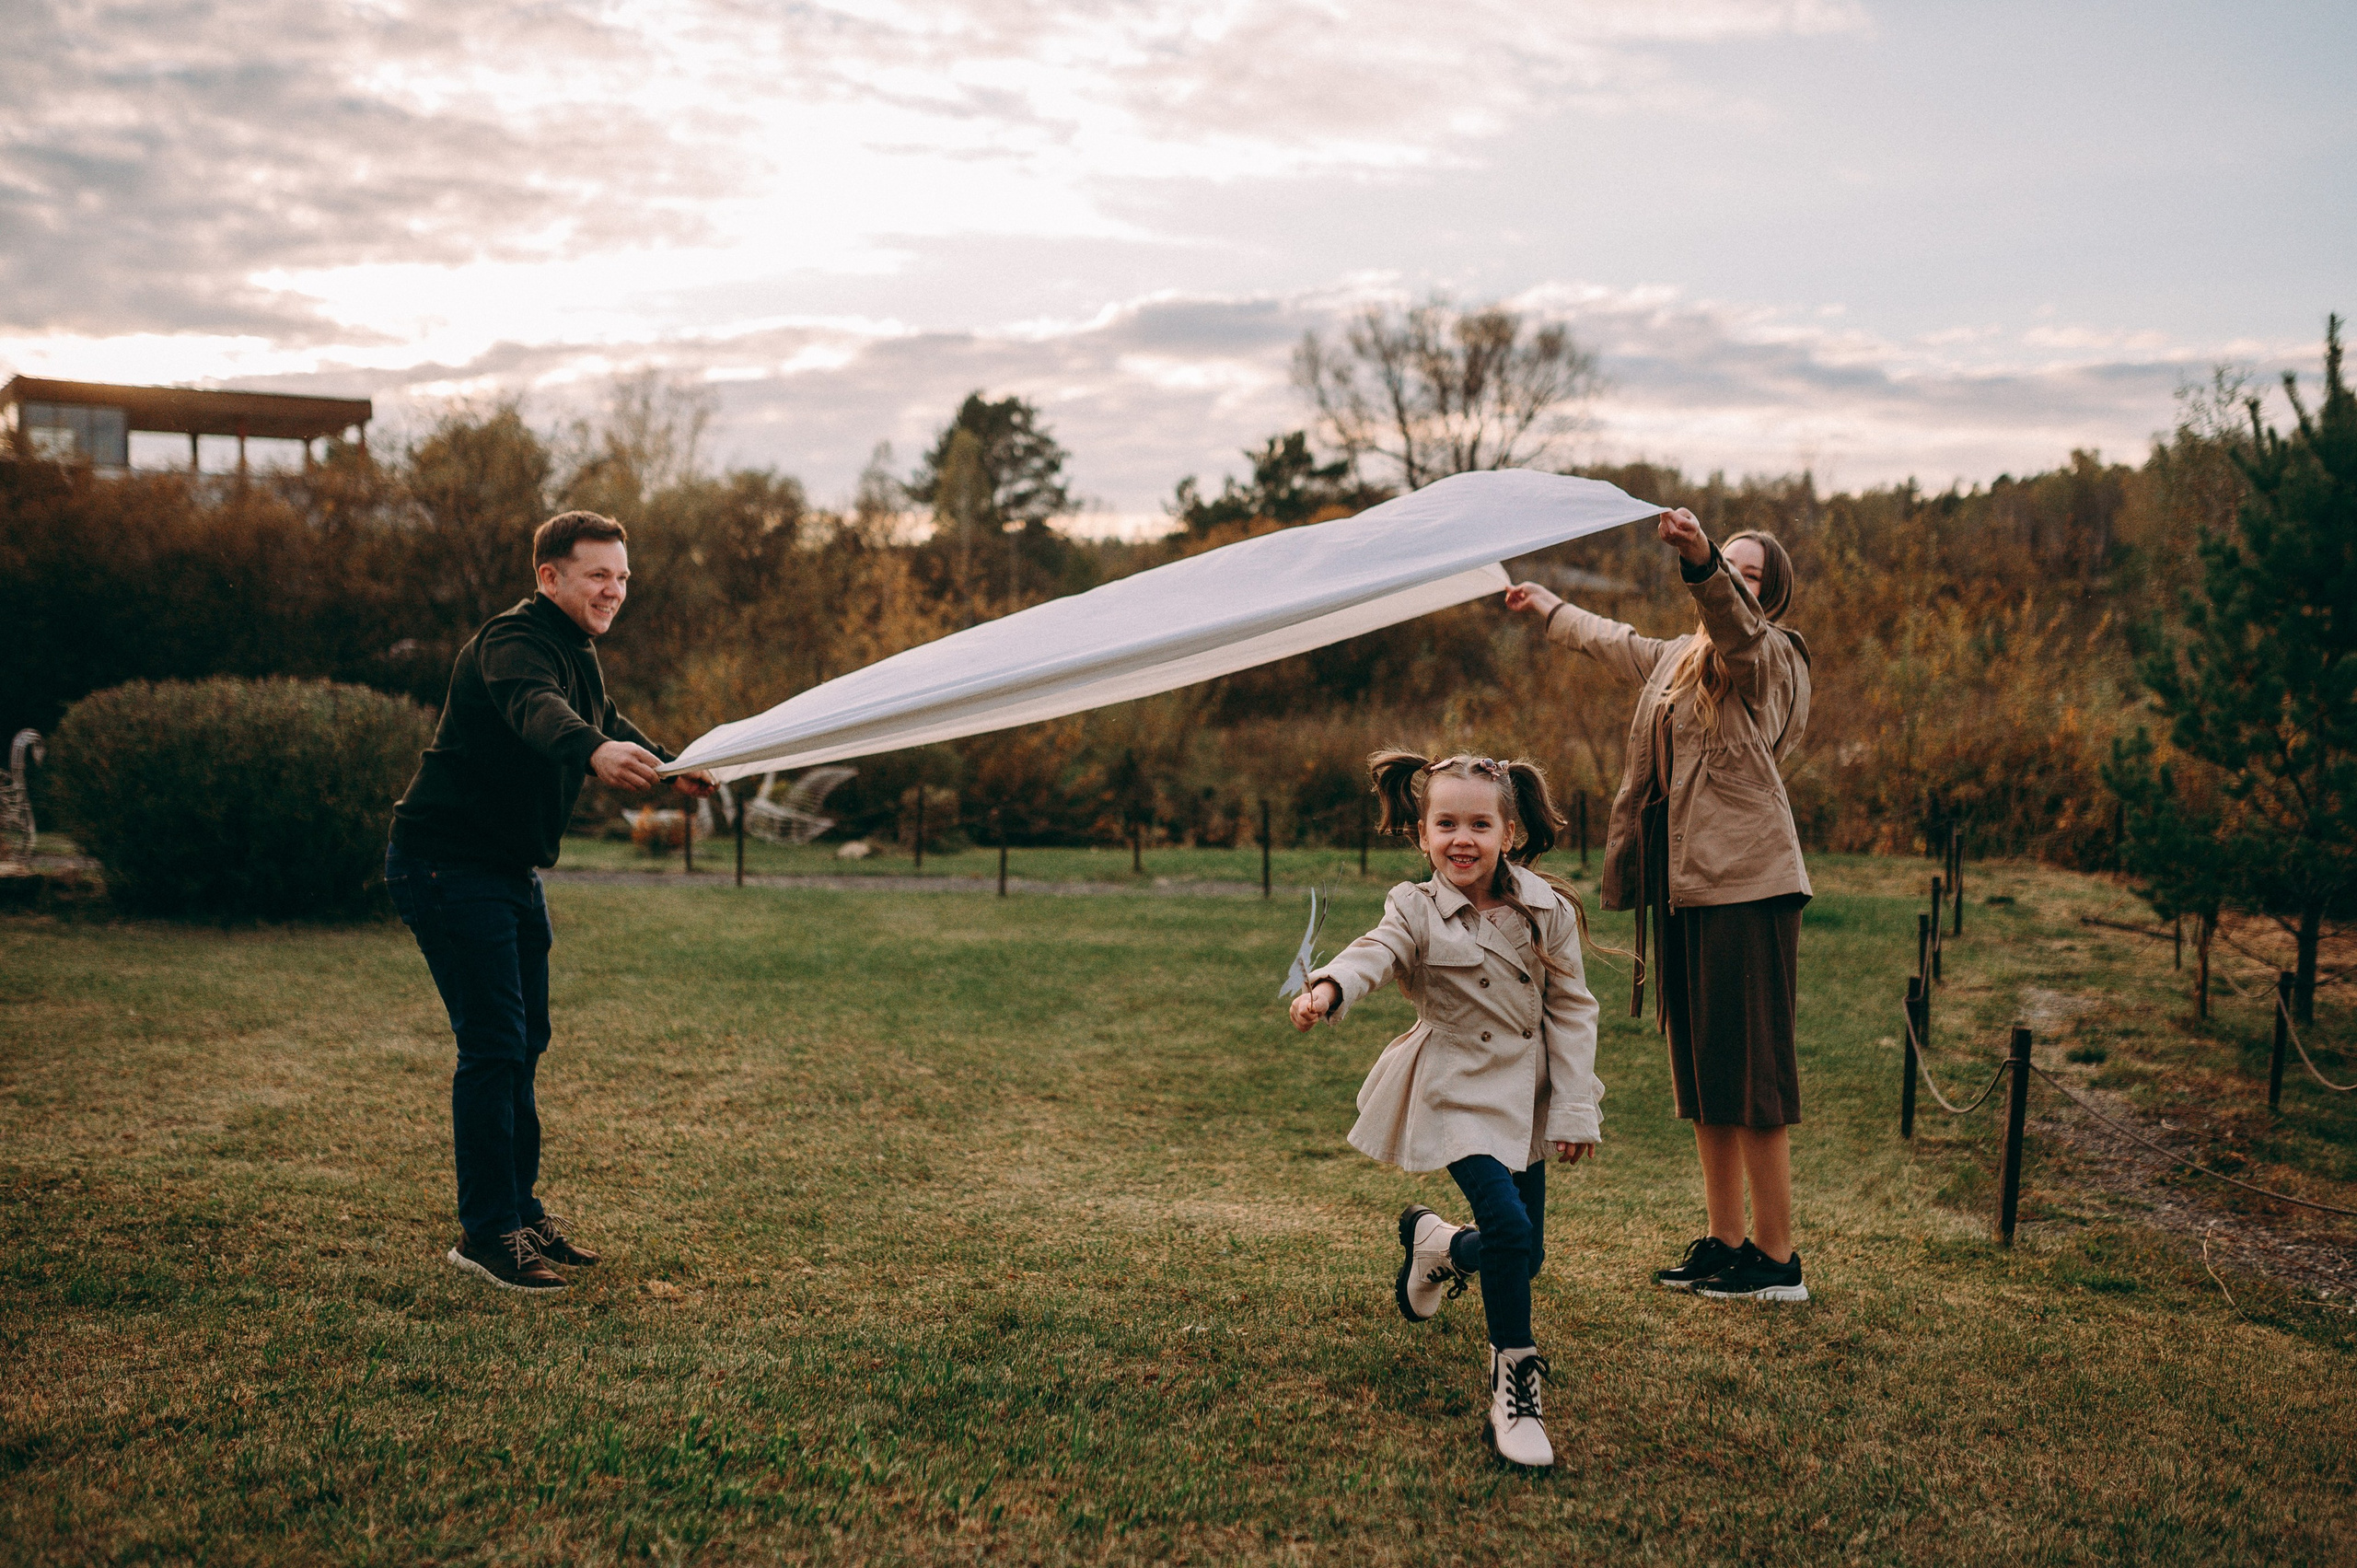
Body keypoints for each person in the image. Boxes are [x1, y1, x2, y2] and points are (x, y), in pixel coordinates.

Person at [386, 509, 712, 1296]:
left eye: (623, 576)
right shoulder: (511, 644)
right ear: (550, 577)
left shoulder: (577, 651)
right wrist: (592, 752)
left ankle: (519, 1212)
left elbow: (602, 718)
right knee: (494, 1043)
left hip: (507, 871)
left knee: (525, 1040)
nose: (614, 589)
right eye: (599, 574)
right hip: (446, 865)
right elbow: (543, 711)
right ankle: (486, 1234)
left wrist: (676, 766)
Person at [1504, 507, 1812, 1303]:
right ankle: (1726, 1242)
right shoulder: (1679, 659)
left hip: (1751, 886)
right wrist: (1546, 607)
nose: (1732, 579)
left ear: (1768, 593)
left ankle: (1778, 1262)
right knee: (1706, 1075)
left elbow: (1736, 628)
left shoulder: (1772, 655)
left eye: (1748, 573)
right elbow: (1615, 641)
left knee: (1754, 1076)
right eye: (1727, 566)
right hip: (1686, 891)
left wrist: (1705, 558)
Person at [1290, 752, 1604, 1469]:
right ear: (1422, 833)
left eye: (1479, 824)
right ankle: (1515, 1389)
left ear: (1509, 829)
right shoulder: (1415, 906)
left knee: (1524, 1256)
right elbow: (1375, 950)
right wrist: (1331, 987)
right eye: (1446, 824)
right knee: (1509, 1227)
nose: (1462, 839)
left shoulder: (1546, 908)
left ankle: (1437, 1247)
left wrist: (1575, 1109)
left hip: (1524, 1095)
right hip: (1454, 1087)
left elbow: (1573, 1010)